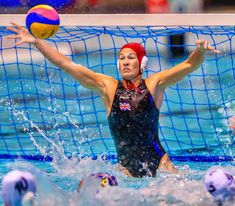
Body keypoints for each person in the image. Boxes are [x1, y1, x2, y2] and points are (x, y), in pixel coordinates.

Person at [7, 22, 220, 178]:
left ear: (142, 63)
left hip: (162, 167)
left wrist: (199, 51)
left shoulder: (154, 84)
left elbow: (188, 66)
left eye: (131, 57)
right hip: (126, 171)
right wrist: (37, 42)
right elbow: (68, 65)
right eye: (122, 58)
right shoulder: (108, 87)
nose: (125, 62)